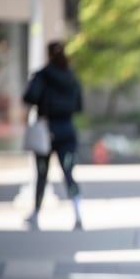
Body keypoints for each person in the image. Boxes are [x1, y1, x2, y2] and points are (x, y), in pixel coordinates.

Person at [23, 42, 84, 230]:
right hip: (66, 129)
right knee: (68, 173)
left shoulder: (43, 76)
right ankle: (77, 213)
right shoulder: (72, 78)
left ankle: (35, 215)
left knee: (42, 174)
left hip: (46, 130)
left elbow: (29, 97)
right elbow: (79, 106)